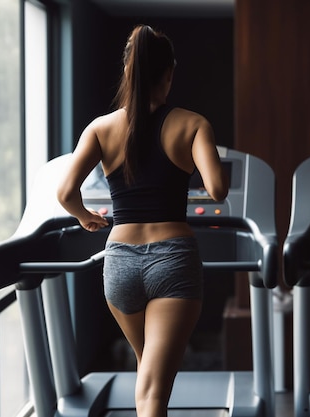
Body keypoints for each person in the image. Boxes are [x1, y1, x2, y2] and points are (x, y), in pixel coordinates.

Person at [57, 25, 228, 417]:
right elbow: (217, 190)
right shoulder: (193, 124)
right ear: (168, 73)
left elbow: (66, 194)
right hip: (173, 262)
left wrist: (86, 218)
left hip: (119, 262)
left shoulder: (99, 129)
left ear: (129, 70)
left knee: (149, 374)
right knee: (152, 392)